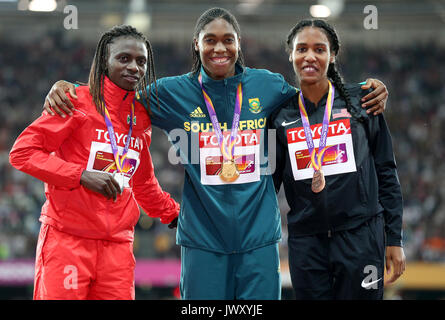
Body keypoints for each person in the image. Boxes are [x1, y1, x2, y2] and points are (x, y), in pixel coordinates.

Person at [42, 8, 388, 300]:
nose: (219, 48)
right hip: (202, 242)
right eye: (210, 40)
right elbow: (117, 98)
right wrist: (72, 89)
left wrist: (363, 91)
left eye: (227, 40)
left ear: (239, 44)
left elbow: (316, 98)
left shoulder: (267, 86)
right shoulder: (170, 93)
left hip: (258, 240)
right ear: (197, 45)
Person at [9, 25, 179, 300]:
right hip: (68, 243)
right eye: (124, 58)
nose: (134, 67)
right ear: (104, 62)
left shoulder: (141, 119)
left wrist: (177, 215)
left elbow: (144, 184)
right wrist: (81, 175)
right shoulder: (74, 102)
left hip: (118, 251)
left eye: (141, 61)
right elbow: (23, 153)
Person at [270, 19, 405, 299]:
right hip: (306, 243)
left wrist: (394, 238)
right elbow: (269, 186)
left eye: (319, 49)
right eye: (301, 49)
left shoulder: (363, 101)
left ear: (332, 56)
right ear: (291, 54)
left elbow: (386, 172)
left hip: (362, 237)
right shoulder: (280, 116)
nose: (310, 56)